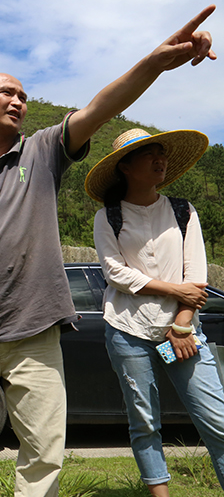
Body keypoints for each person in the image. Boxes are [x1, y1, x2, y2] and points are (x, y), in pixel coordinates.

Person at [0, 6, 216, 497]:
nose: (20, 100)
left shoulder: (43, 152)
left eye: (24, 95)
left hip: (36, 331)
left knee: (44, 450)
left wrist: (154, 62)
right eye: (8, 92)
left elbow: (100, 107)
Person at [86, 128, 224, 496]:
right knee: (144, 421)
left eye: (161, 153)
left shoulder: (182, 210)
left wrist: (181, 326)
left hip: (181, 333)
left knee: (217, 420)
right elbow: (114, 272)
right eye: (149, 154)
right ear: (125, 167)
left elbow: (195, 275)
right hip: (128, 329)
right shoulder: (108, 216)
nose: (159, 159)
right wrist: (172, 288)